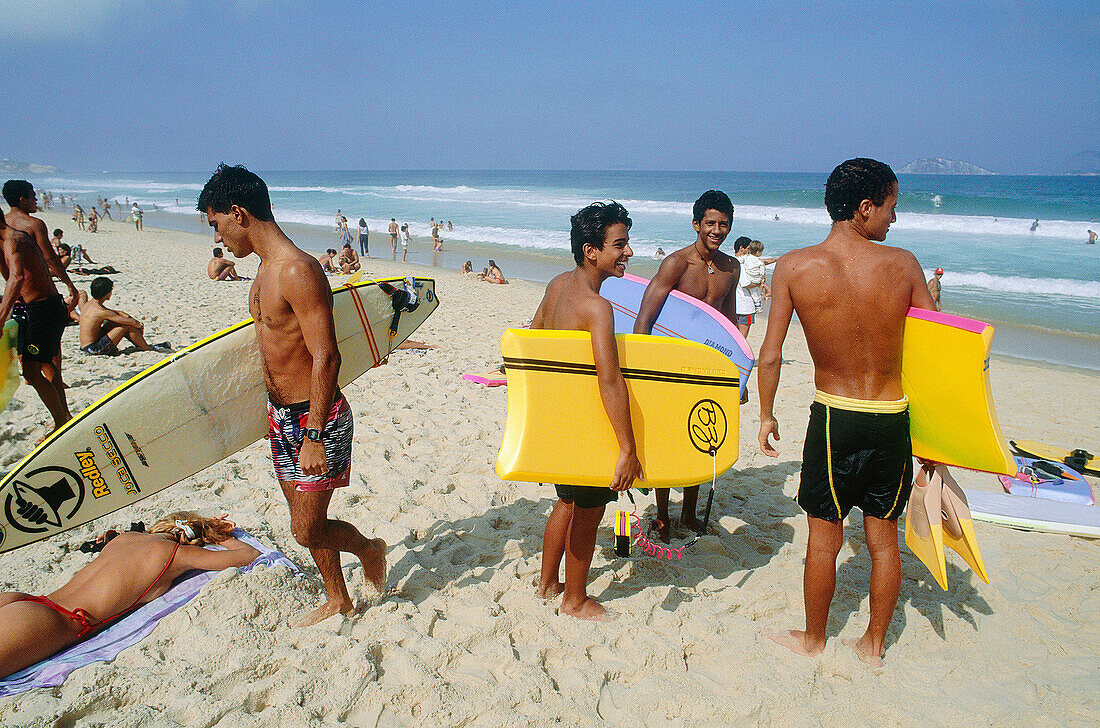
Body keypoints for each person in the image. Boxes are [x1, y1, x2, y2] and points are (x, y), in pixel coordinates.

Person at [757, 158, 936, 667]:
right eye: (891, 206)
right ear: (865, 208)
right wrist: (940, 437)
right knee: (883, 539)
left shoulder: (793, 266)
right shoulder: (902, 265)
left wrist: (766, 414)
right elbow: (937, 343)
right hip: (891, 416)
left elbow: (771, 353)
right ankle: (873, 645)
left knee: (823, 538)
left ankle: (815, 639)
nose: (893, 220)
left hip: (835, 417)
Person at [198, 164, 386, 626]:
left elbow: (327, 358)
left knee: (305, 528)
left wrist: (315, 434)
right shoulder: (263, 271)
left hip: (316, 419)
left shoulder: (298, 271)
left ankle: (369, 548)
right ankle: (338, 598)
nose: (219, 239)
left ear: (238, 213)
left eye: (217, 224)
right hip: (280, 416)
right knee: (305, 521)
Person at [532, 201, 643, 621]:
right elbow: (610, 381)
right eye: (620, 244)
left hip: (562, 419)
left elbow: (534, 340)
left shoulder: (558, 286)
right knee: (590, 508)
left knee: (565, 501)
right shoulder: (597, 308)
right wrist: (626, 447)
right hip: (588, 424)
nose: (628, 252)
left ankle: (547, 583)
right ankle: (575, 600)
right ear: (591, 250)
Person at [0, 512, 259, 679]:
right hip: (52, 621)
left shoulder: (124, 539)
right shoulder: (175, 554)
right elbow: (248, 556)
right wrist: (223, 535)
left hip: (26, 601)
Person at [633, 190, 740, 542]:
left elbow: (727, 321)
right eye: (710, 223)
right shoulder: (677, 263)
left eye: (724, 224)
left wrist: (738, 373)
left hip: (707, 367)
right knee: (667, 439)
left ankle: (690, 513)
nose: (717, 230)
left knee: (702, 438)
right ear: (696, 224)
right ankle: (663, 515)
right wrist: (643, 367)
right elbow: (644, 317)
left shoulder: (731, 267)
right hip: (670, 365)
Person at [0, 207, 73, 433]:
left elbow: (17, 277)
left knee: (32, 372)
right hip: (39, 308)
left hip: (44, 310)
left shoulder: (14, 238)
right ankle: (65, 417)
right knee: (45, 363)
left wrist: (1, 318)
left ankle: (62, 421)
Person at [79, 277, 171, 355]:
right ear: (107, 293)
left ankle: (143, 345)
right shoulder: (101, 311)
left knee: (115, 323)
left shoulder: (90, 305)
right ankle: (148, 348)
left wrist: (128, 318)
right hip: (92, 349)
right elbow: (131, 322)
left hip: (85, 346)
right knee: (126, 326)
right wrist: (139, 325)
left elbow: (117, 312)